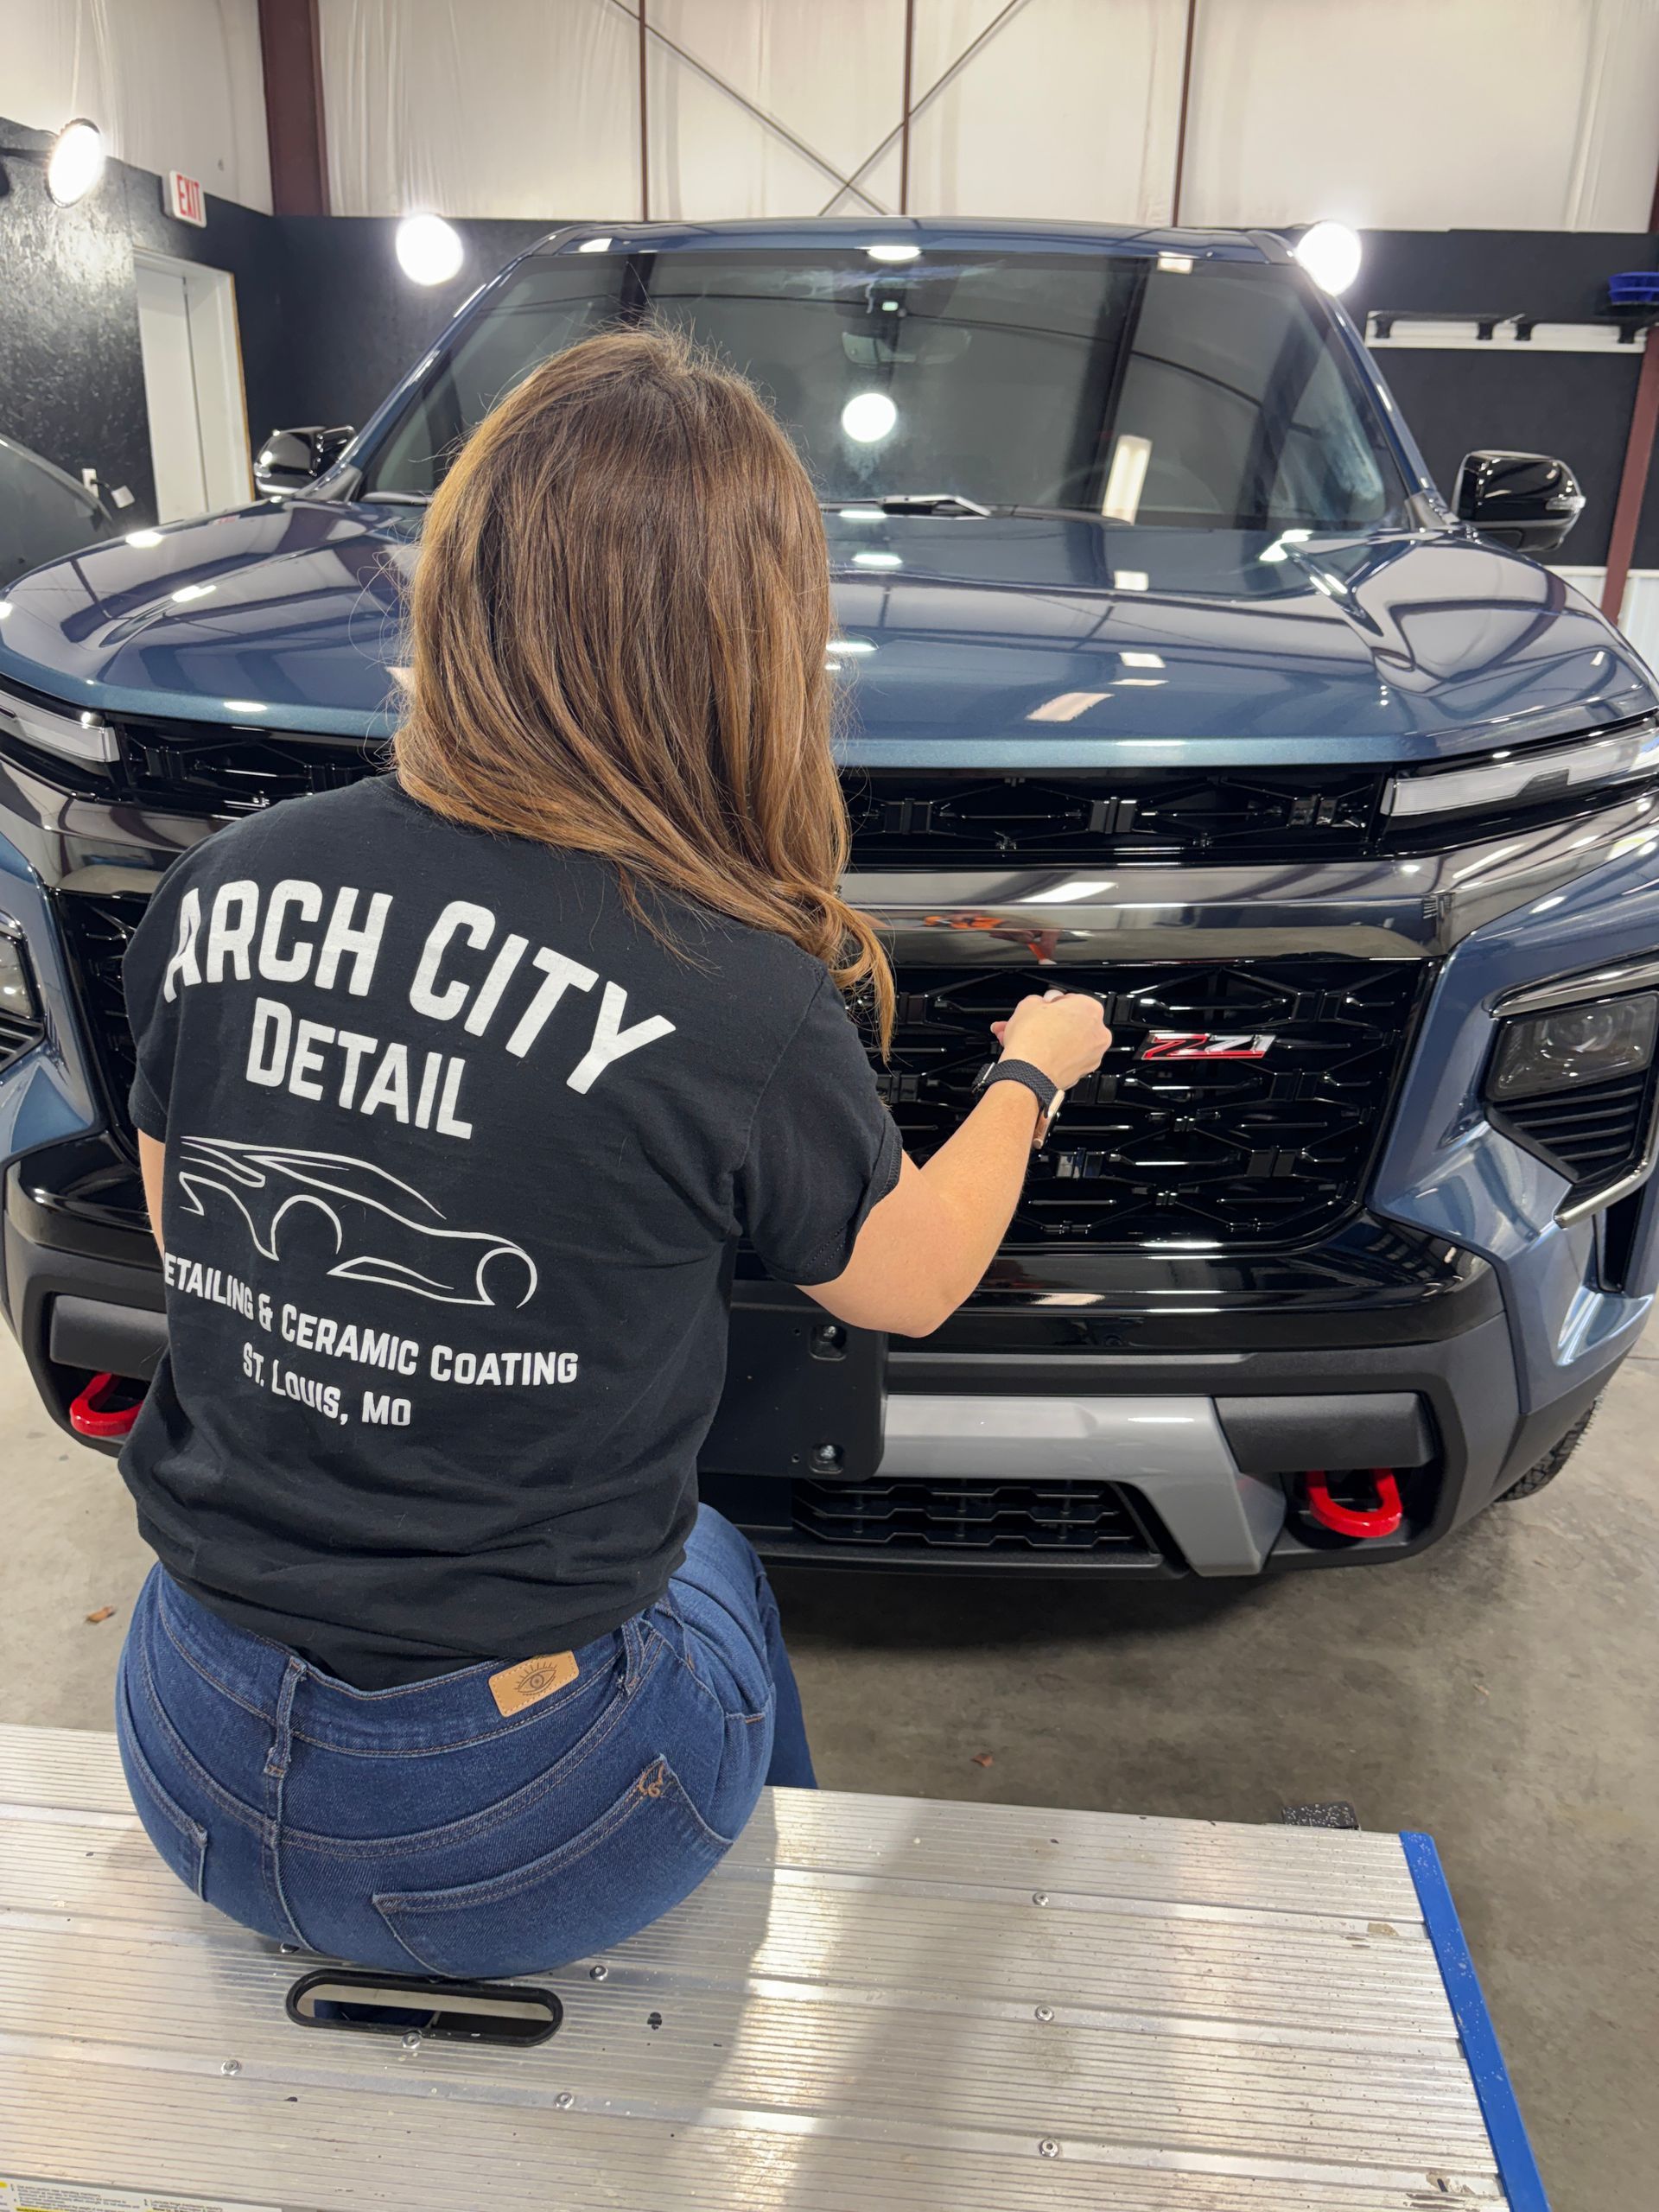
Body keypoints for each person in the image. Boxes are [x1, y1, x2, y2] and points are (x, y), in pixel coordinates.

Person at [113, 328, 1111, 1980]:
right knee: (711, 1551)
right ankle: (759, 1956)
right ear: (749, 649)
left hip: (190, 1744)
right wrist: (1032, 1071)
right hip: (512, 1824)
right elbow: (914, 1284)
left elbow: (192, 1237)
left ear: (465, 587)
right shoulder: (735, 985)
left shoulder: (224, 884)